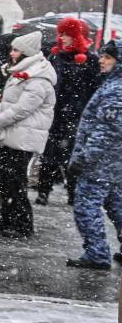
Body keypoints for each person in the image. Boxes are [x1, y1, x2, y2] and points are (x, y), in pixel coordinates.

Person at [0, 29, 56, 238]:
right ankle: (8, 218)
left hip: (22, 136)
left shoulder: (37, 78)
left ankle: (22, 223)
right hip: (14, 134)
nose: (12, 53)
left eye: (16, 50)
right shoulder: (25, 72)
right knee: (7, 179)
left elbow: (22, 108)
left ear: (26, 53)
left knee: (15, 180)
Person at [67, 42, 122, 269]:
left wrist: (84, 157)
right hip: (113, 161)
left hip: (100, 162)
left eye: (108, 57)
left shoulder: (115, 89)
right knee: (116, 204)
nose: (101, 60)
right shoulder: (113, 84)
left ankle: (97, 254)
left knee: (86, 206)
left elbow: (108, 130)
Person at [37, 17, 101, 206]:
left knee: (73, 156)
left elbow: (94, 89)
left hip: (77, 115)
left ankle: (73, 192)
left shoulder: (90, 60)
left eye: (67, 34)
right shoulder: (56, 56)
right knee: (49, 154)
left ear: (77, 37)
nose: (62, 38)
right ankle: (43, 190)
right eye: (61, 34)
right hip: (55, 113)